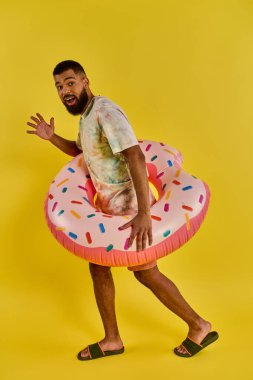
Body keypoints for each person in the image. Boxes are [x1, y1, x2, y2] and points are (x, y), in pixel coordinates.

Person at [26, 60, 218, 360]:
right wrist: (52, 138)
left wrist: (144, 213)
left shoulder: (105, 111)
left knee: (147, 274)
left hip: (130, 210)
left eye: (70, 82)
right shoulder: (87, 117)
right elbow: (84, 153)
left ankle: (199, 325)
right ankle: (112, 339)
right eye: (59, 87)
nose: (65, 91)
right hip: (107, 210)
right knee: (98, 267)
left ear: (85, 80)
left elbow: (135, 156)